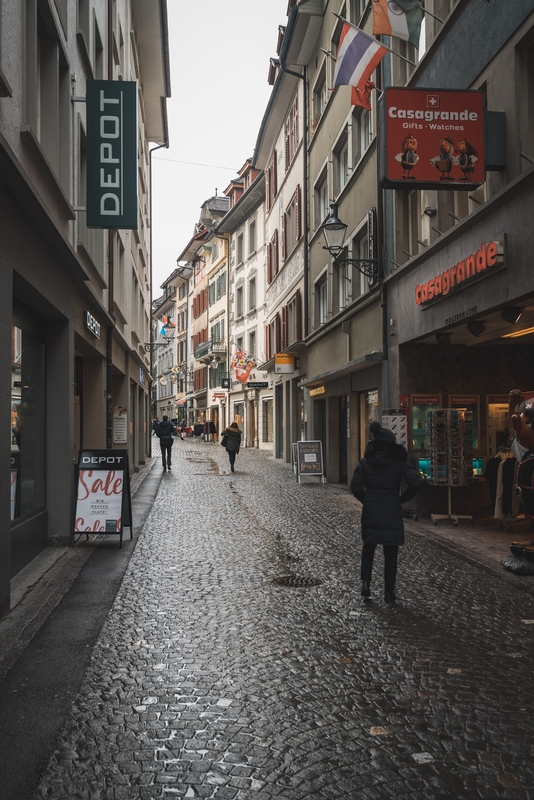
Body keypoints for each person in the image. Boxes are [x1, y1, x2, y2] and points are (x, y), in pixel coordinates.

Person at [350, 420, 423, 603]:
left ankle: (366, 585)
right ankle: (389, 592)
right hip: (391, 510)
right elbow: (415, 482)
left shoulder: (366, 462)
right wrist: (401, 499)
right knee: (390, 553)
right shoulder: (398, 462)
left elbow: (355, 486)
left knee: (369, 548)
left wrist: (367, 500)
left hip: (371, 511)